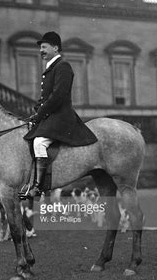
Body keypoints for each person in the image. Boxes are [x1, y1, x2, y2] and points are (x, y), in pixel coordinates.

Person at [19, 31, 98, 200]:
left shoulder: (63, 66)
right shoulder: (51, 68)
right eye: (40, 47)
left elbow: (58, 97)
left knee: (39, 142)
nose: (41, 50)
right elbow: (45, 97)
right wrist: (36, 110)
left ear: (55, 48)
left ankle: (39, 187)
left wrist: (40, 115)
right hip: (51, 116)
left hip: (61, 117)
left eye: (44, 47)